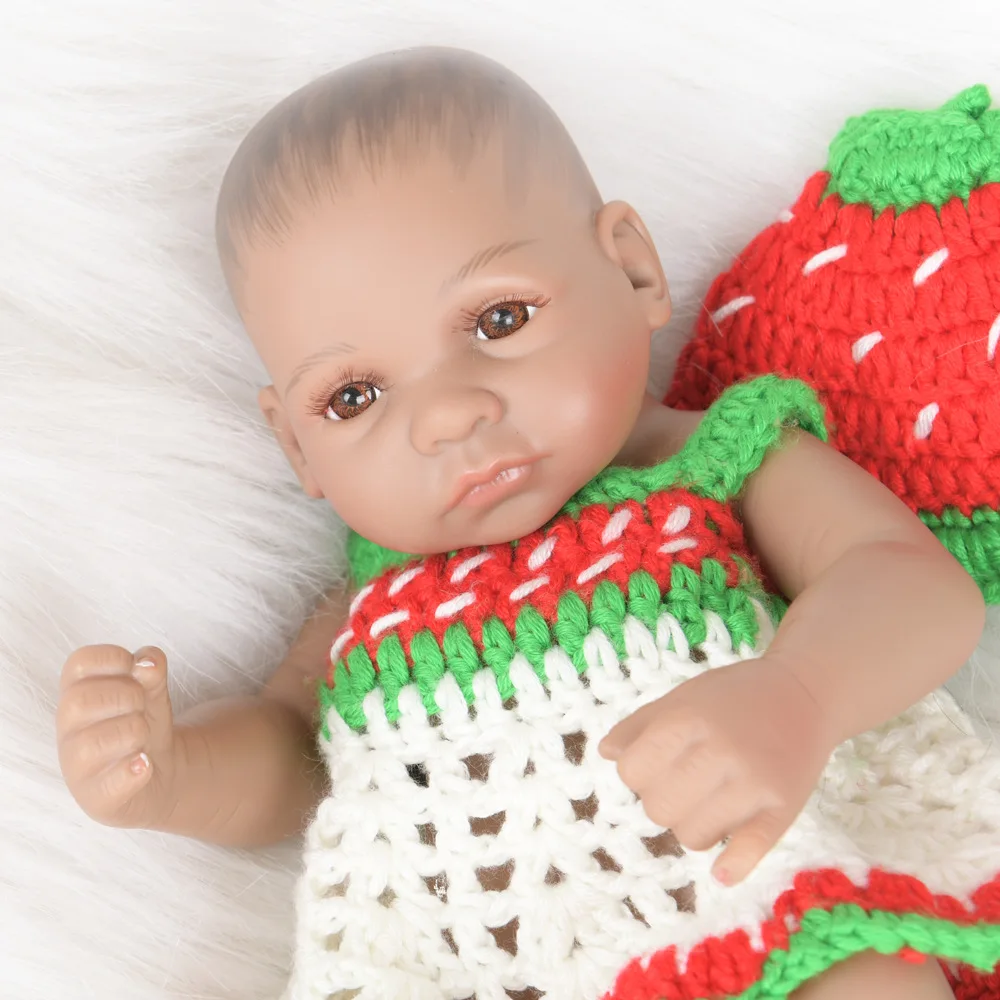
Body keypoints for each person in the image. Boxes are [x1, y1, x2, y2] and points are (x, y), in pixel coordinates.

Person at [56, 48, 999, 1000]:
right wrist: (171, 770)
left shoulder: (712, 464)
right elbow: (296, 757)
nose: (446, 415)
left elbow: (908, 581)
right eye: (354, 396)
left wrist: (800, 693)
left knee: (868, 973)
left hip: (754, 906)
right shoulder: (378, 601)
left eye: (498, 320)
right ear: (298, 447)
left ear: (632, 268)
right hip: (485, 971)